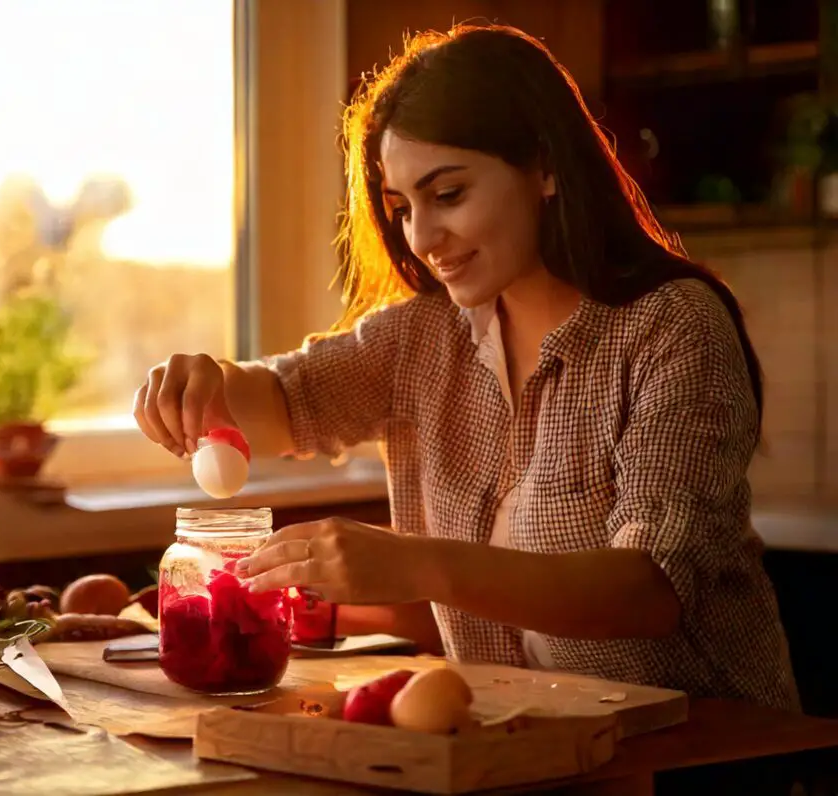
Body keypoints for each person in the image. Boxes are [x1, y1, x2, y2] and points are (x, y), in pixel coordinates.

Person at [134, 23, 799, 712]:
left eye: (447, 195)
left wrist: (413, 563)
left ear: (545, 166)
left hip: (707, 751)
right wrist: (205, 386)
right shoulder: (424, 336)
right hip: (523, 742)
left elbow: (650, 589)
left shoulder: (673, 327)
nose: (421, 239)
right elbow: (282, 399)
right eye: (402, 208)